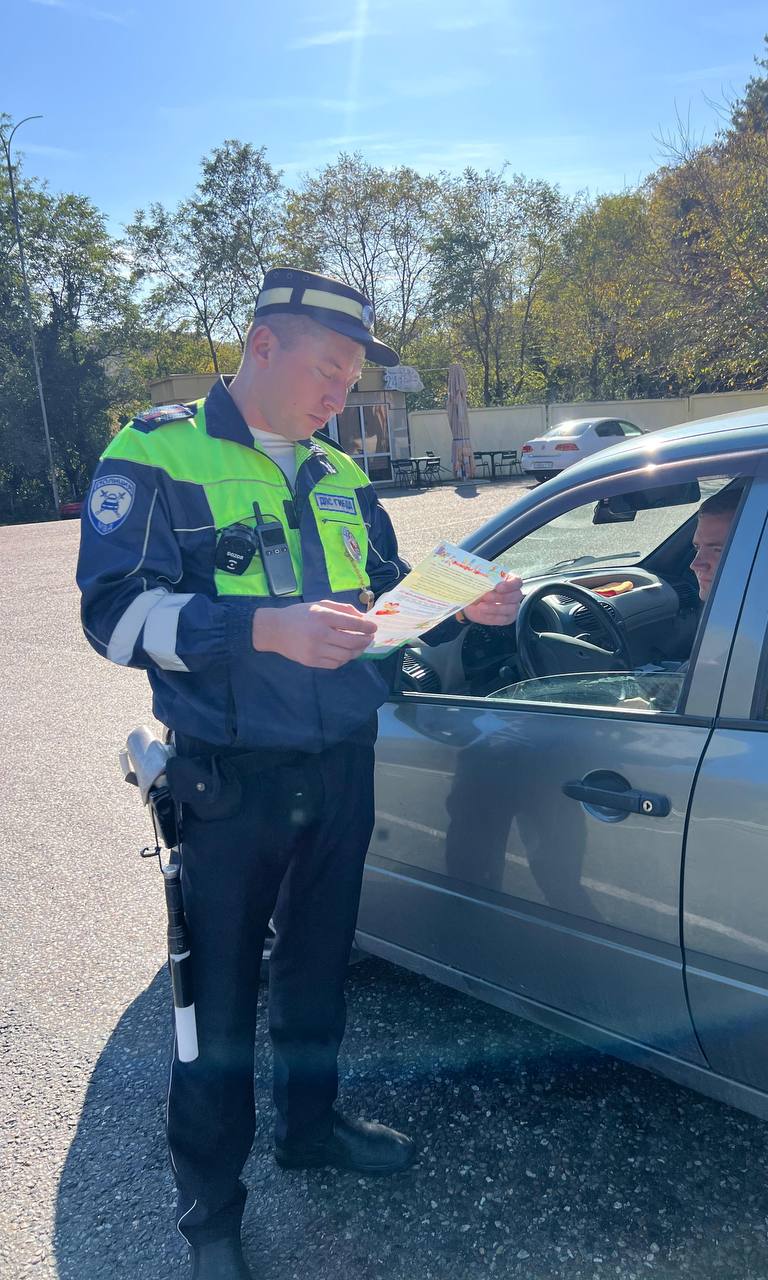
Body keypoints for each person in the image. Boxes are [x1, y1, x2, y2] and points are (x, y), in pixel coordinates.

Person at [76, 267, 522, 1280]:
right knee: (218, 1005)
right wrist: (260, 628)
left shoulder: (338, 474)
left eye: (352, 379)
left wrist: (461, 601)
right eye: (327, 370)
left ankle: (309, 1126)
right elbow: (114, 615)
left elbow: (379, 601)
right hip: (227, 780)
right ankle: (212, 1215)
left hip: (339, 764)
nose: (339, 395)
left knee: (319, 967)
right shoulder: (154, 452)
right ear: (260, 344)